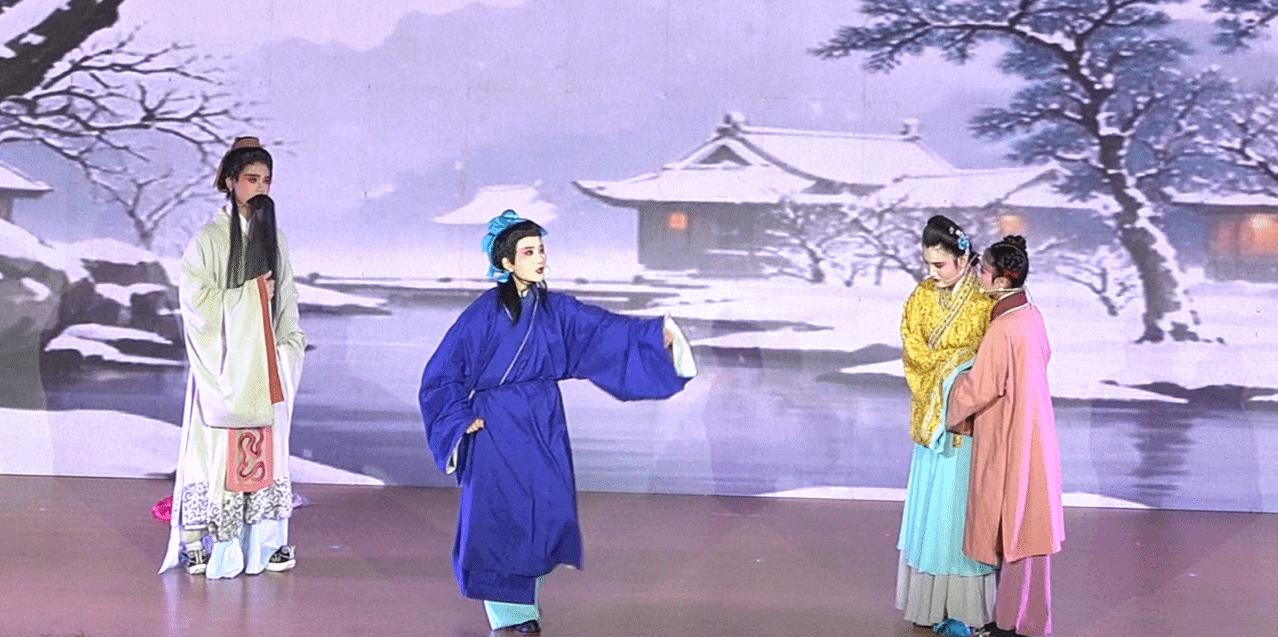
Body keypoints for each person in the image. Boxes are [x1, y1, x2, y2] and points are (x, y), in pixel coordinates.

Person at [418, 210, 696, 635]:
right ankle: (510, 615)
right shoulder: (484, 313)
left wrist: (652, 336)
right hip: (497, 425)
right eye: (528, 252)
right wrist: (458, 416)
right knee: (502, 516)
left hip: (543, 419)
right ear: (506, 262)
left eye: (541, 250)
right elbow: (443, 370)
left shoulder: (556, 309)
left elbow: (602, 331)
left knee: (545, 510)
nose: (540, 258)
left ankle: (525, 604)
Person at [158, 137, 307, 579]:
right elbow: (195, 301)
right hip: (222, 365)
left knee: (267, 449)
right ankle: (203, 541)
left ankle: (265, 542)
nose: (260, 187)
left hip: (266, 362)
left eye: (266, 180)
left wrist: (287, 344)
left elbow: (288, 301)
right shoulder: (208, 239)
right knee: (214, 451)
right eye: (251, 179)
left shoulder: (274, 238)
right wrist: (251, 295)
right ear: (229, 182)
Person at [945, 236, 1064, 637]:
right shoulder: (1032, 316)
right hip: (1033, 429)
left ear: (1000, 280)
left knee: (1013, 526)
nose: (979, 275)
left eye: (983, 270)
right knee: (1028, 525)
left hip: (1011, 433)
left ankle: (1012, 623)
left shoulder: (1004, 327)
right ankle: (1024, 620)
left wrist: (951, 389)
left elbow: (981, 387)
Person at [896, 215, 997, 630]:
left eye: (939, 264)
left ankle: (967, 607)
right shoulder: (920, 296)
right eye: (928, 264)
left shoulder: (985, 300)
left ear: (964, 257)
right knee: (932, 510)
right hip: (932, 419)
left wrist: (961, 372)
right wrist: (953, 366)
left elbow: (992, 360)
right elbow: (913, 350)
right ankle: (927, 604)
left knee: (958, 510)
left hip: (967, 424)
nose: (932, 273)